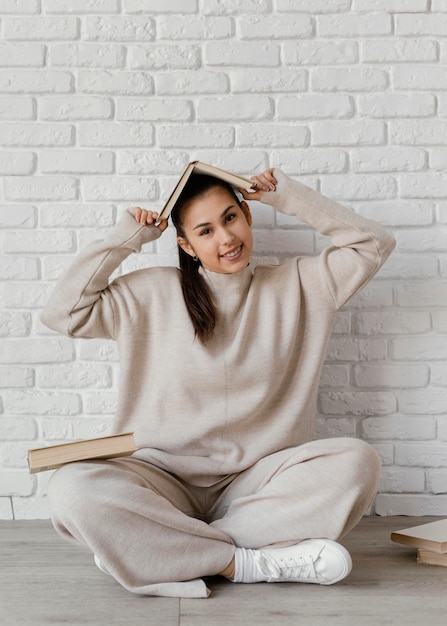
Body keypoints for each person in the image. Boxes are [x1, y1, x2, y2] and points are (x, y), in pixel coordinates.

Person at [41, 167, 395, 598]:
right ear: (186, 245)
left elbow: (373, 244)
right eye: (205, 231)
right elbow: (64, 314)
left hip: (258, 481)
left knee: (358, 461)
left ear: (246, 214)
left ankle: (153, 549)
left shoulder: (301, 284)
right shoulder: (150, 293)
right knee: (70, 489)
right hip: (160, 476)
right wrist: (126, 238)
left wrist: (288, 196)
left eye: (230, 218)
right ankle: (242, 562)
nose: (225, 239)